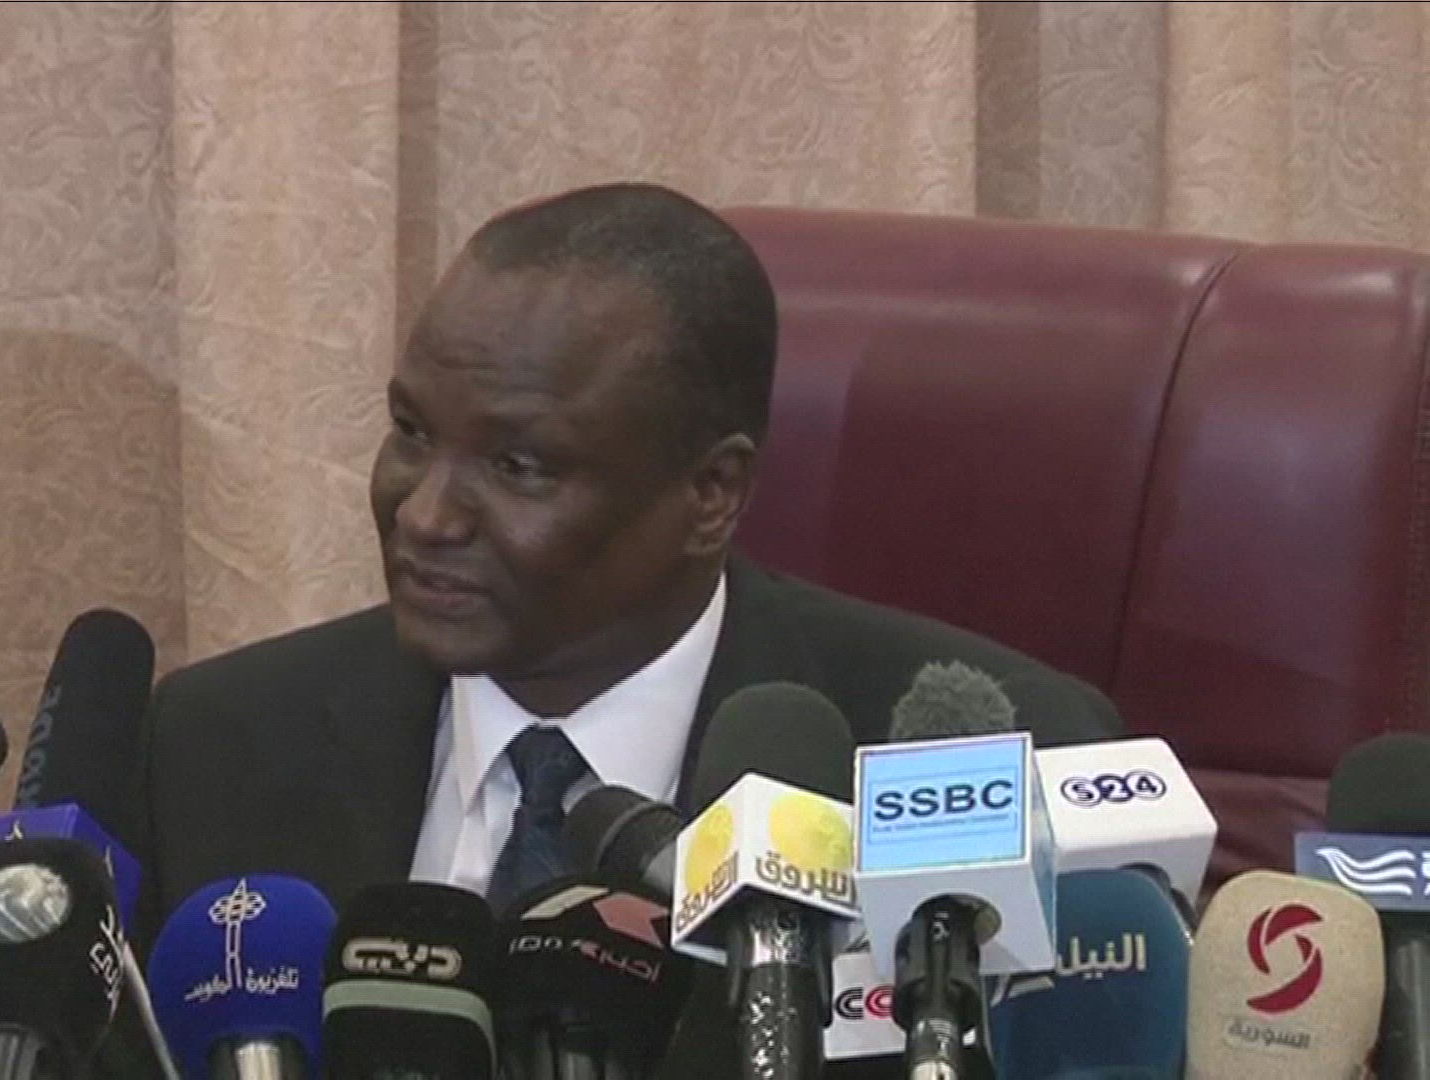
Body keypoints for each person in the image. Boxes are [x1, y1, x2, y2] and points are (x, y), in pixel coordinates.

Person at [126, 182, 1120, 1077]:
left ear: (710, 493)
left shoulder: (985, 767)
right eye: (413, 433)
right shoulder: (216, 743)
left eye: (518, 466)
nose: (423, 514)